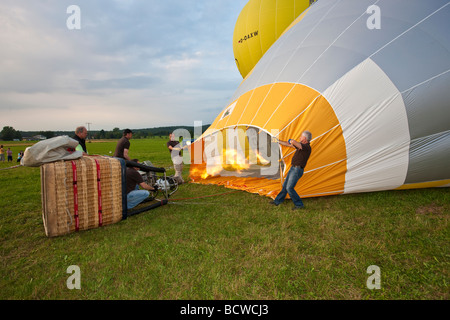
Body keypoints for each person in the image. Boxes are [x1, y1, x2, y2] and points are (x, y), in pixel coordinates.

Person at [271, 130, 312, 210]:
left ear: (305, 139)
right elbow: (288, 144)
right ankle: (278, 201)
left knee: (289, 188)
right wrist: (277, 141)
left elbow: (292, 142)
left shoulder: (306, 147)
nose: (300, 137)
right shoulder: (301, 146)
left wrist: (291, 140)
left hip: (297, 170)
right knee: (285, 186)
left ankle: (299, 205)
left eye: (301, 136)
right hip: (293, 168)